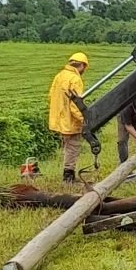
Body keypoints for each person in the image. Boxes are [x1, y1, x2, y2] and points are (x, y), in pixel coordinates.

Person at [48, 52, 89, 182]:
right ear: (82, 65)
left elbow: (51, 96)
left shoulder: (59, 76)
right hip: (71, 121)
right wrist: (85, 119)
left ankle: (68, 174)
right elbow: (75, 105)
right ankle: (68, 177)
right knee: (73, 147)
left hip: (60, 120)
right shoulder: (75, 79)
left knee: (67, 147)